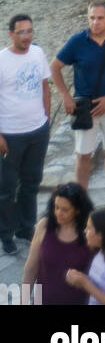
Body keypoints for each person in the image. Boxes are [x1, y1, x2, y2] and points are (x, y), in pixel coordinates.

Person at [50, 0, 105, 217]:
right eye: (91, 17)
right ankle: (81, 205)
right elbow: (55, 66)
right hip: (85, 109)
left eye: (99, 18)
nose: (95, 22)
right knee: (83, 155)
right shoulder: (77, 41)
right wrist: (65, 95)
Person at [0, 13, 51, 256]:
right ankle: (6, 235)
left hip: (37, 130)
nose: (26, 37)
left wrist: (46, 119)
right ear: (11, 34)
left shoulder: (38, 53)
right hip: (10, 135)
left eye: (29, 31)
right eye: (21, 32)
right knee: (7, 189)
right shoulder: (2, 60)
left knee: (31, 183)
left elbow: (44, 86)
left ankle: (26, 227)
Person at [21, 182, 93, 306]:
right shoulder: (44, 226)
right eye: (56, 207)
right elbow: (31, 269)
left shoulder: (89, 233)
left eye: (65, 209)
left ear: (77, 210)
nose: (59, 213)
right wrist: (23, 301)